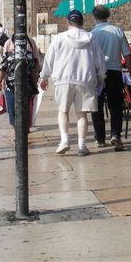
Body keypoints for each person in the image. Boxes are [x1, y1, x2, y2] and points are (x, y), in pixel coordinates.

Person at [39, 10, 106, 157]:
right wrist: (101, 76)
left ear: (67, 22)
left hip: (63, 79)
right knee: (82, 114)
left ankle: (64, 140)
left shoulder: (59, 38)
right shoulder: (91, 38)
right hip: (85, 80)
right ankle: (82, 145)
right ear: (82, 22)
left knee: (63, 111)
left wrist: (44, 76)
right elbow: (99, 59)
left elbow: (49, 59)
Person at [90, 5, 131, 151]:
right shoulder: (117, 31)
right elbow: (127, 54)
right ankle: (116, 134)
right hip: (115, 71)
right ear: (108, 15)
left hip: (97, 73)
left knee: (96, 105)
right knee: (116, 105)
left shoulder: (92, 34)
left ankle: (100, 138)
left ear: (94, 17)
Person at [0, 34, 41, 136]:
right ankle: (18, 130)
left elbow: (35, 67)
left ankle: (23, 129)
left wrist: (35, 82)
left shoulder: (29, 52)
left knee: (22, 108)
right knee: (14, 109)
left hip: (24, 86)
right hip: (12, 86)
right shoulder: (8, 53)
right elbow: (2, 68)